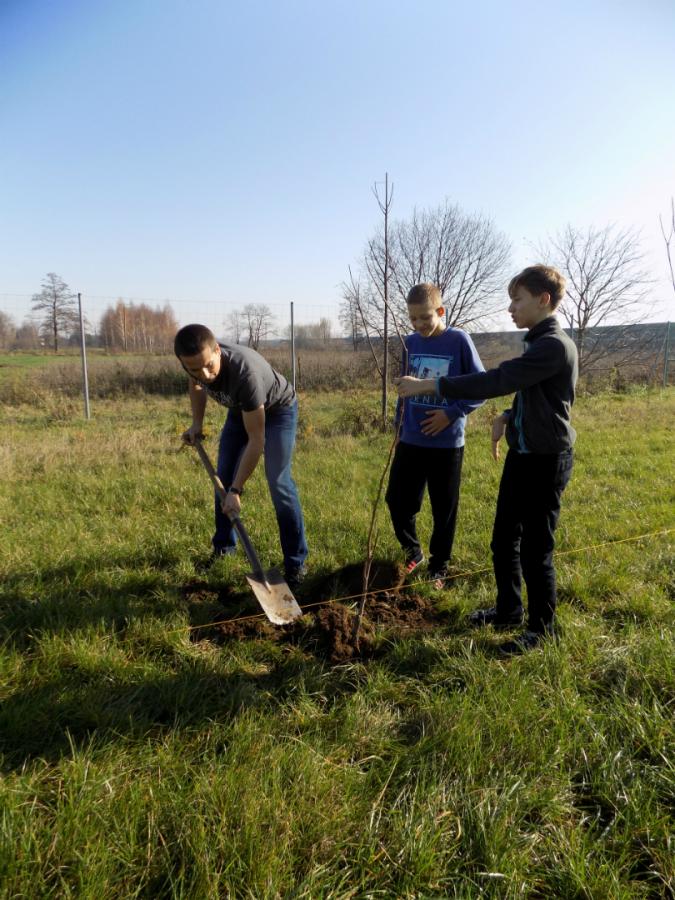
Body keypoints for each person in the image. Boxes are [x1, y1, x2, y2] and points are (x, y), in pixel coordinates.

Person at [395, 265, 578, 654]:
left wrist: (430, 384)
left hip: (546, 460)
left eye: (517, 300)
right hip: (522, 454)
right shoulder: (537, 342)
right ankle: (508, 611)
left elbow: (499, 380)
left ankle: (541, 629)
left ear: (543, 300)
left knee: (536, 550)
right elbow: (537, 395)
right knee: (503, 540)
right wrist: (510, 415)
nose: (510, 308)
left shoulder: (553, 346)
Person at [175, 324, 308, 589]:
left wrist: (237, 490)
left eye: (209, 366)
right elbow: (196, 384)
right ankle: (224, 549)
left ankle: (296, 563)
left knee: (278, 482)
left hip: (278, 411)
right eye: (195, 369)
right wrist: (197, 424)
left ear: (217, 350)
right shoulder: (194, 364)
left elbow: (257, 441)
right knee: (222, 478)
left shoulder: (245, 374)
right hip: (240, 412)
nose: (204, 374)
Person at [386, 283, 485, 587]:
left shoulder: (459, 341)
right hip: (411, 439)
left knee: (444, 508)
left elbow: (480, 388)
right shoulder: (410, 342)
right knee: (397, 501)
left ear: (440, 311)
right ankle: (413, 551)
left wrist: (451, 413)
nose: (418, 324)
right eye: (413, 318)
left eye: (425, 317)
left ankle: (439, 565)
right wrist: (399, 423)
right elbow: (406, 387)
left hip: (446, 444)